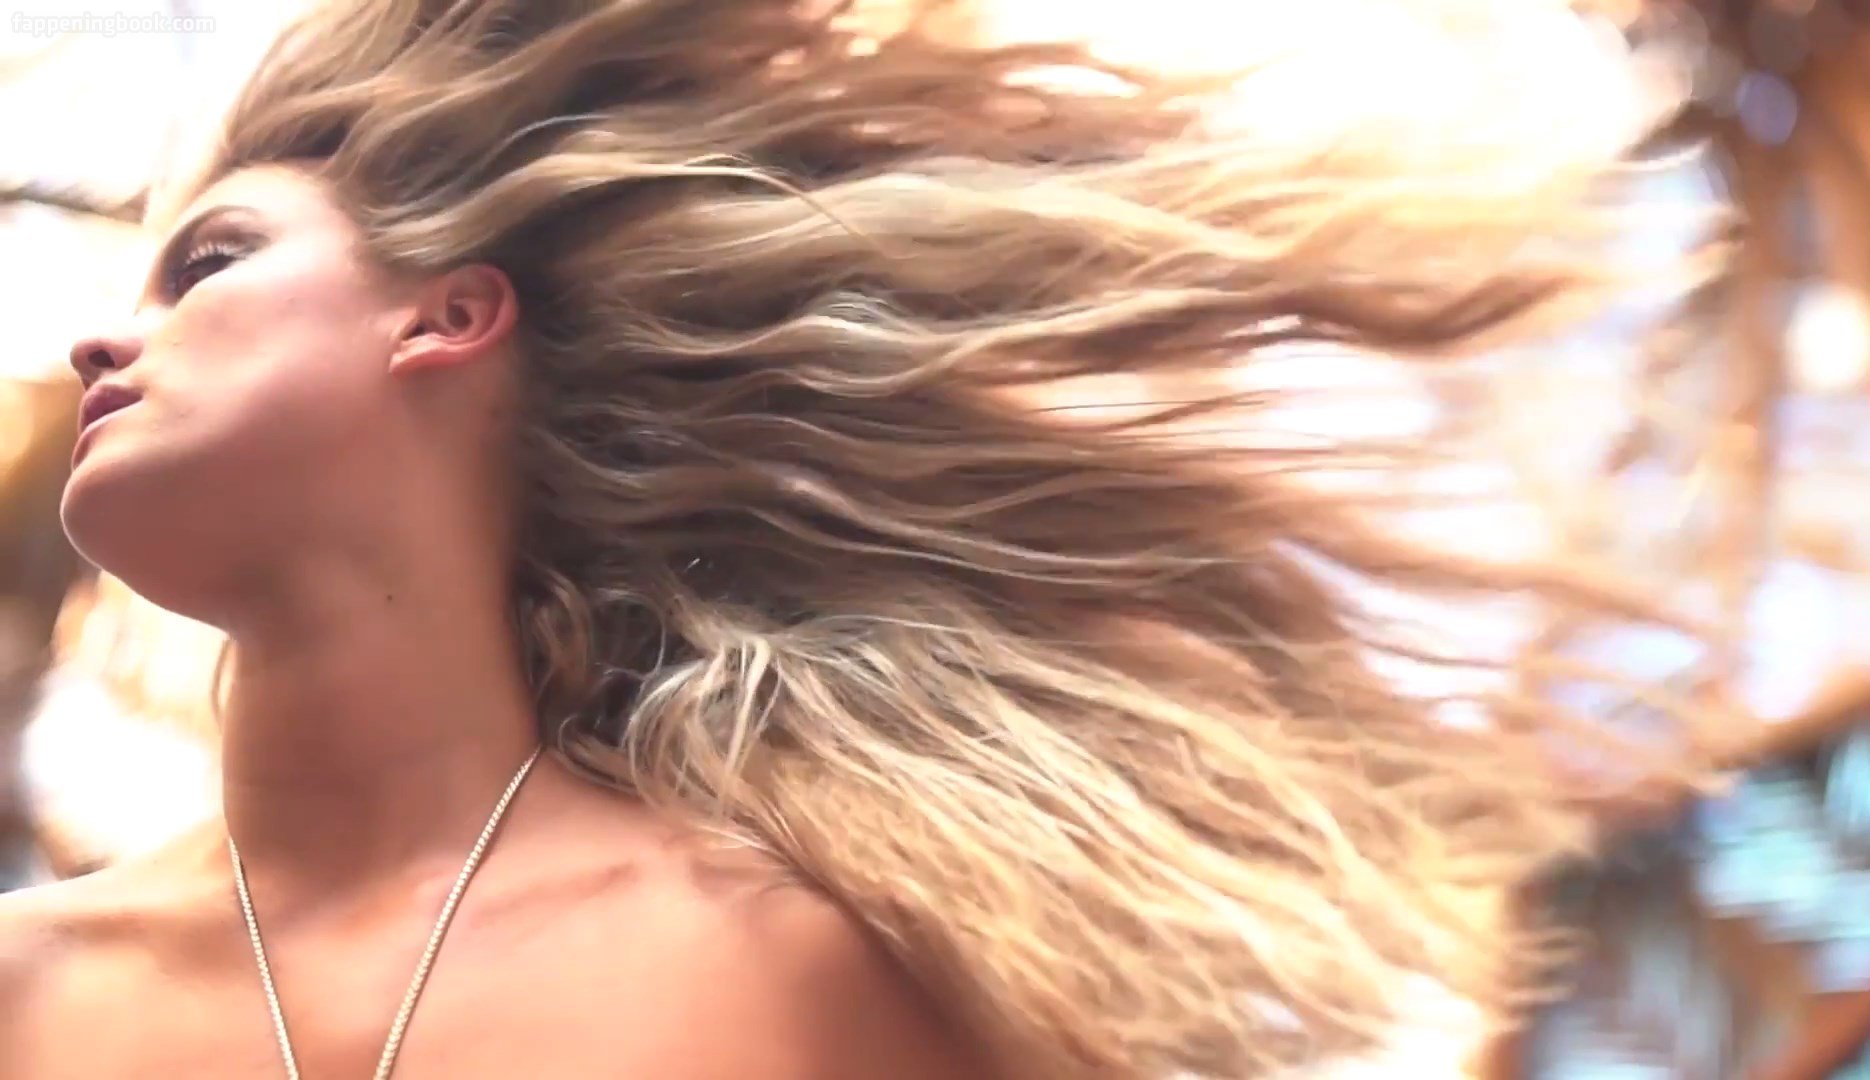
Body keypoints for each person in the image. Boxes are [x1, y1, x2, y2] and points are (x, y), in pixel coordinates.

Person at [0, 0, 1693, 1076]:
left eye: (209, 261)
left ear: (447, 315)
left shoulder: (811, 960)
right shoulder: (27, 990)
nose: (97, 340)